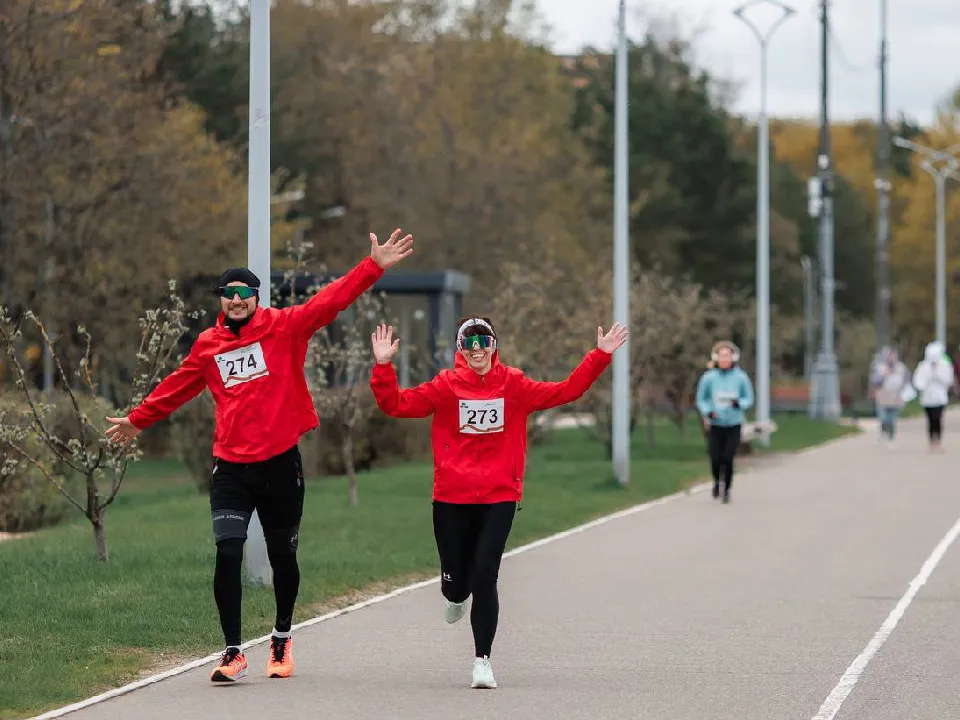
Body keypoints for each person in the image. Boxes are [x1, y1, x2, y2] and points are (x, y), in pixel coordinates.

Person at [104, 229, 414, 682]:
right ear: (222, 300)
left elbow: (330, 302)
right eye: (228, 294)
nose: (236, 300)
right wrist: (138, 420)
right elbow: (177, 386)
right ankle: (232, 652)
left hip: (279, 465)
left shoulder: (285, 328)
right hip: (230, 467)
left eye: (244, 293)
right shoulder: (208, 346)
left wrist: (373, 267)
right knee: (227, 554)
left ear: (255, 297)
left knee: (281, 557)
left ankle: (281, 636)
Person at [368, 316, 628, 689]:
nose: (477, 349)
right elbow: (396, 404)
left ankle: (482, 661)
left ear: (494, 345)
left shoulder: (515, 385)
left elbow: (566, 391)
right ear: (461, 349)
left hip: (500, 495)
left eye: (483, 340)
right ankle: (455, 594)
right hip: (452, 497)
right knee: (457, 585)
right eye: (469, 342)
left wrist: (598, 357)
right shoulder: (446, 386)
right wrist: (382, 365)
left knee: (485, 574)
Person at [695, 341, 754, 504]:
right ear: (716, 358)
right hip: (715, 424)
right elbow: (701, 399)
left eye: (727, 356)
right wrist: (708, 412)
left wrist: (739, 404)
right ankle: (716, 482)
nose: (724, 359)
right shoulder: (709, 378)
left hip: (734, 424)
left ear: (733, 358)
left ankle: (727, 488)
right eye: (721, 356)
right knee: (715, 458)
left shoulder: (741, 377)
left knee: (728, 457)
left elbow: (748, 398)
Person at [912, 340, 954, 451]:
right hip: (927, 398)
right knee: (930, 420)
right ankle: (932, 441)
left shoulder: (945, 365)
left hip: (940, 398)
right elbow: (918, 381)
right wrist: (927, 379)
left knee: (938, 419)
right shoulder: (923, 366)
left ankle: (938, 441)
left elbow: (948, 380)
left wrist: (937, 376)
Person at [870, 345, 911, 445]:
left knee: (892, 416)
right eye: (890, 356)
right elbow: (874, 380)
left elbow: (907, 380)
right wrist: (883, 376)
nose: (892, 358)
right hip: (883, 395)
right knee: (883, 416)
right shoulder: (881, 368)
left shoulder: (901, 367)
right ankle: (884, 431)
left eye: (893, 356)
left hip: (896, 395)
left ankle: (891, 435)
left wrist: (905, 391)